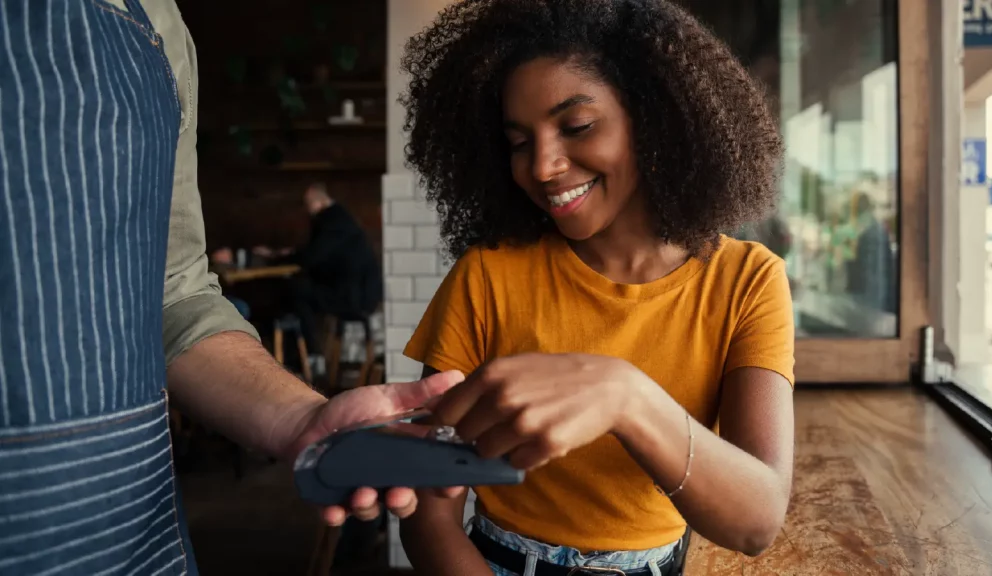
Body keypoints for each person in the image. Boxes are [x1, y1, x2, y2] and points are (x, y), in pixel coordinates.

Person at [0, 2, 455, 574]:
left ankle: (310, 348)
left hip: (132, 544)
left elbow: (175, 296)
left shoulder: (155, 19)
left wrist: (299, 420)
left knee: (300, 300)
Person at [396, 1, 796, 575]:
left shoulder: (747, 281)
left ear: (654, 117)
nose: (542, 166)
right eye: (518, 142)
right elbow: (429, 515)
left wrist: (626, 397)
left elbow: (756, 522)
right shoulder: (487, 277)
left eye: (576, 126)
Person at [257, 183, 383, 368]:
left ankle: (310, 356)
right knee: (296, 291)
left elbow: (312, 257)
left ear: (317, 202)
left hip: (353, 298)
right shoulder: (342, 219)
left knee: (294, 292)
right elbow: (320, 256)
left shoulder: (332, 221)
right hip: (361, 295)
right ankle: (301, 356)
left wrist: (278, 257)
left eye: (308, 204)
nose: (307, 210)